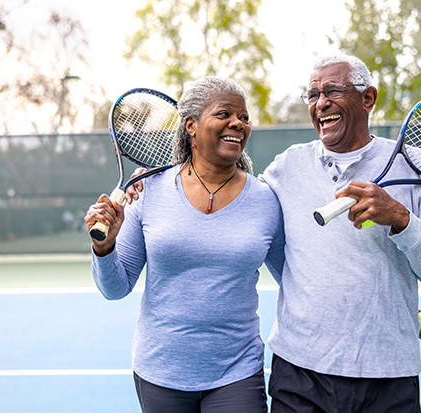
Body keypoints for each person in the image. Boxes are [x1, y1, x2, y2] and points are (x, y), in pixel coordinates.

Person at [259, 51, 421, 412]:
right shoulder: (286, 167)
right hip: (299, 373)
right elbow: (260, 233)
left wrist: (400, 218)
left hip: (388, 374)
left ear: (367, 98)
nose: (321, 103)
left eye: (333, 91)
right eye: (313, 94)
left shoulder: (417, 166)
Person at [84, 76, 285, 413]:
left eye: (244, 117)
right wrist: (105, 248)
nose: (238, 123)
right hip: (160, 372)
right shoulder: (147, 190)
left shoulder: (265, 199)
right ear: (191, 126)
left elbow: (293, 279)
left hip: (237, 371)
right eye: (224, 114)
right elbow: (115, 288)